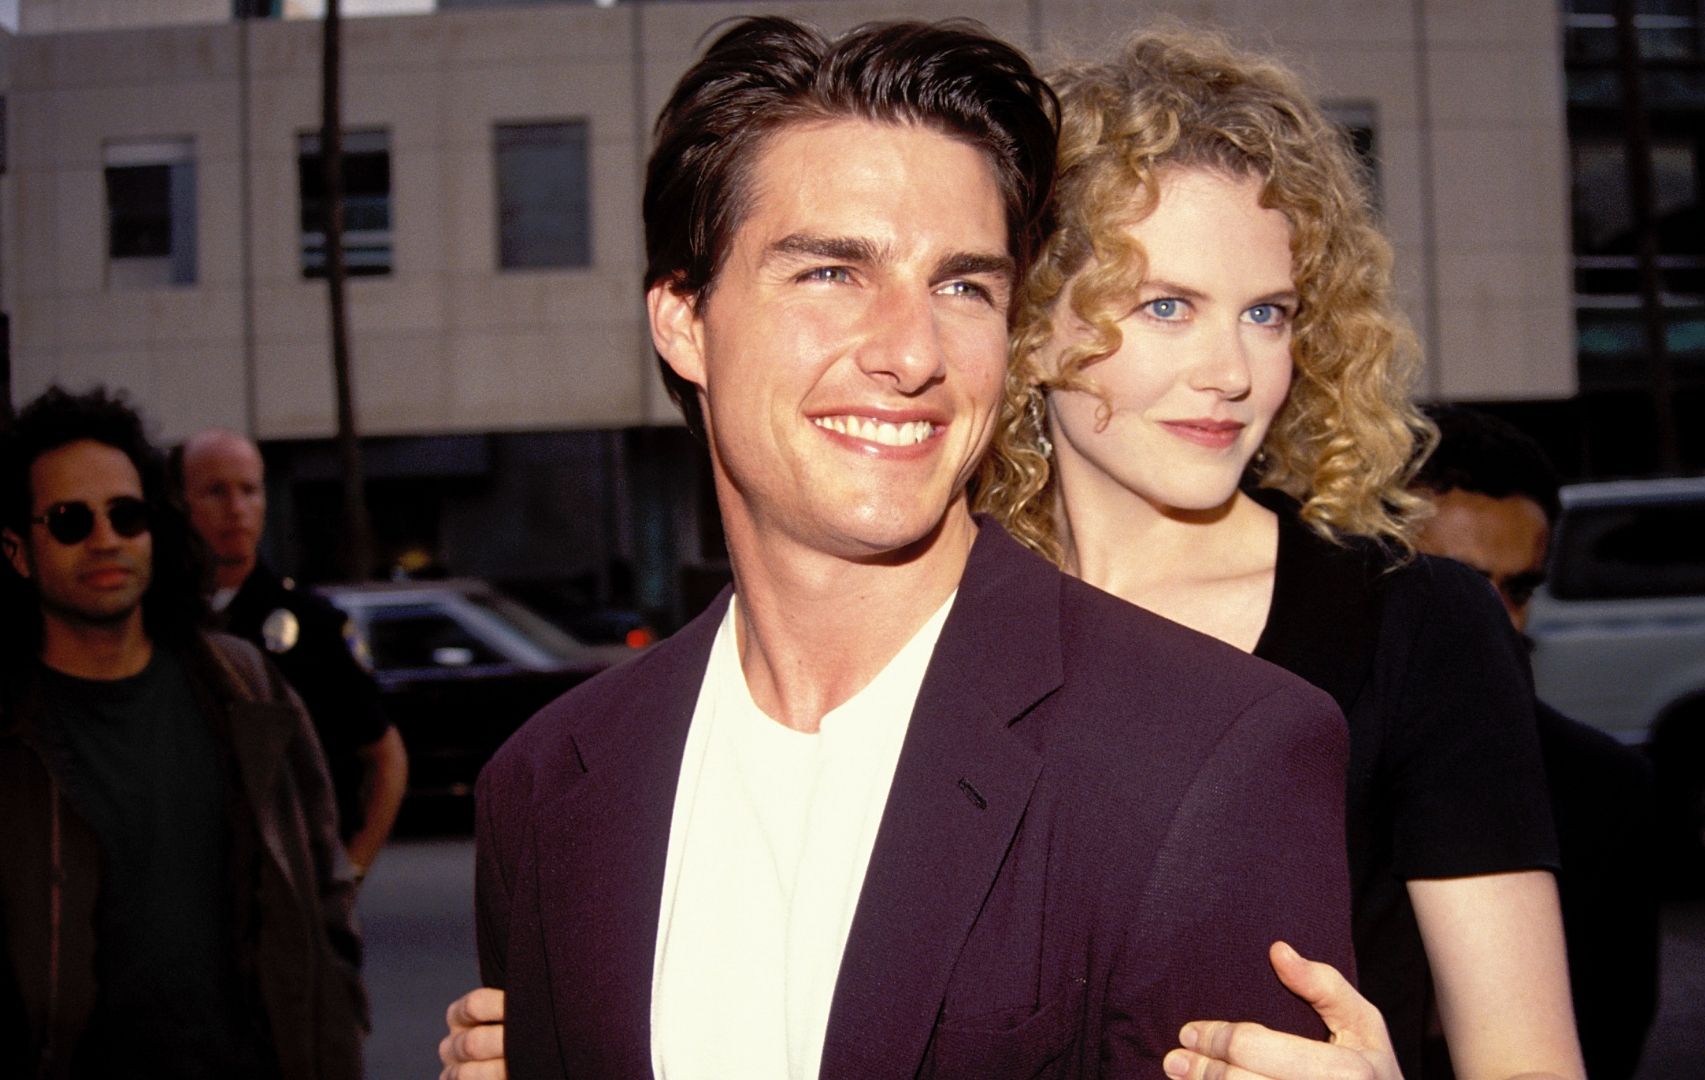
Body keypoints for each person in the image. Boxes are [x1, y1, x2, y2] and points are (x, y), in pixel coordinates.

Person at [467, 16, 1353, 1079]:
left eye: (962, 285)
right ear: (684, 321)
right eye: (832, 273)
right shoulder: (547, 789)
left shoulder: (1210, 759)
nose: (910, 352)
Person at [969, 30, 1582, 1080]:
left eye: (1267, 313)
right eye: (1165, 306)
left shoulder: (1419, 624)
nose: (1232, 371)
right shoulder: (936, 622)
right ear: (1030, 329)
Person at [0, 386, 366, 1078]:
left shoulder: (243, 688)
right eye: (71, 520)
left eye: (126, 514)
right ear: (17, 551)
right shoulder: (13, 728)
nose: (106, 539)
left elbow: (322, 905)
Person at [1411, 405, 1659, 1080]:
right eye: (1455, 586)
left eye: (1517, 590)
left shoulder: (1601, 788)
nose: (1491, 621)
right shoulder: (1295, 761)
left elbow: (1604, 1038)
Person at [176, 429, 408, 881]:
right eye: (215, 491)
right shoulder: (166, 624)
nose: (236, 509)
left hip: (293, 879)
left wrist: (350, 872)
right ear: (182, 503)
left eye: (249, 489)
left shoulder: (310, 622)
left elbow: (387, 757)